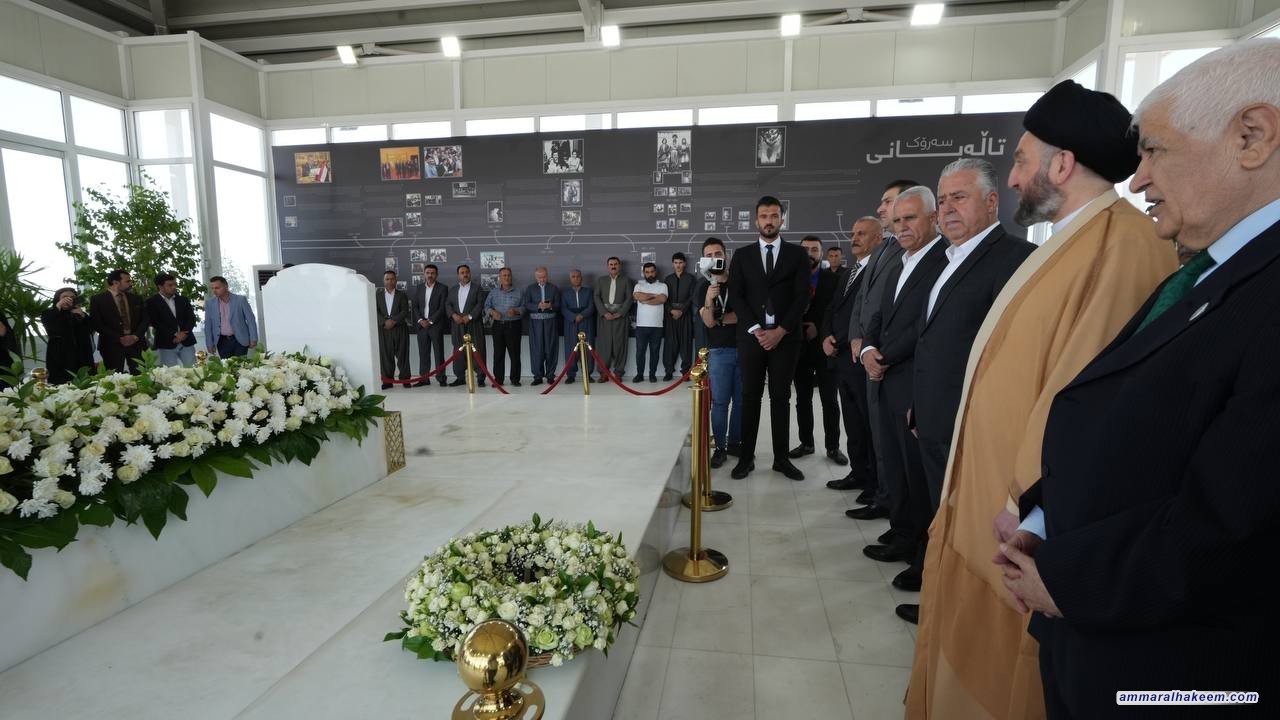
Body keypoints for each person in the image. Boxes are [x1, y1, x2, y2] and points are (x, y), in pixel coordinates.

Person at [998, 40, 1280, 718]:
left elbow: (1235, 521)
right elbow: (1135, 421)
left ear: (1253, 136)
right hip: (1106, 630)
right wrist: (1042, 515)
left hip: (1185, 674)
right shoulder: (1215, 269)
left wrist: (1065, 575)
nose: (1137, 178)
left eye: (1154, 150)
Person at [905, 79, 1179, 720]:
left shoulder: (1126, 248)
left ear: (1062, 164)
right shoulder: (1068, 239)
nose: (1015, 175)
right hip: (982, 518)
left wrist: (1029, 514)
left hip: (1013, 538)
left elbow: (1091, 408)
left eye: (1023, 160)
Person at [892, 160, 1035, 614]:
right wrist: (918, 403)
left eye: (960, 197)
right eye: (944, 198)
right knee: (943, 514)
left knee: (970, 524)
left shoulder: (1015, 260)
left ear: (992, 202)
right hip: (936, 419)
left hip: (973, 426)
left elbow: (1010, 357)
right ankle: (940, 596)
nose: (947, 209)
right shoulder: (949, 259)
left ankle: (957, 609)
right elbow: (934, 341)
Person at [858, 187, 948, 574]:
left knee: (917, 473)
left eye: (910, 218)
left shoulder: (944, 260)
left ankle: (924, 557)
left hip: (913, 381)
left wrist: (885, 355)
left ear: (933, 218)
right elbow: (879, 314)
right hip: (886, 377)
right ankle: (903, 532)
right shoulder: (899, 260)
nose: (903, 227)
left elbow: (924, 323)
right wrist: (867, 350)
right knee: (894, 464)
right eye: (897, 221)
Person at [847, 179, 919, 520]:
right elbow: (865, 303)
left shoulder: (916, 254)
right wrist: (859, 342)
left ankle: (895, 507)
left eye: (887, 201)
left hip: (893, 364)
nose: (881, 208)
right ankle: (886, 497)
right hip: (870, 355)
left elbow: (908, 315)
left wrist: (878, 351)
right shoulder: (888, 252)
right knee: (879, 436)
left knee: (894, 444)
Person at [726, 195, 810, 481]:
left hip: (786, 338)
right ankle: (746, 459)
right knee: (749, 397)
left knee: (781, 397)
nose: (769, 221)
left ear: (782, 219)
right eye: (764, 216)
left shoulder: (798, 255)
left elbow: (802, 297)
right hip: (751, 339)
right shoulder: (742, 255)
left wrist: (780, 331)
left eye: (774, 215)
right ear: (756, 220)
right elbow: (736, 296)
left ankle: (781, 459)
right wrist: (756, 330)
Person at [822, 218, 881, 492]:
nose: (854, 238)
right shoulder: (848, 273)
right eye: (853, 233)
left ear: (879, 238)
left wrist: (842, 339)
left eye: (862, 234)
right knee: (852, 422)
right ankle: (857, 473)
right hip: (841, 359)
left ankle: (873, 481)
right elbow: (833, 308)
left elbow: (869, 316)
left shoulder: (880, 270)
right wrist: (826, 336)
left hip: (860, 358)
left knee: (867, 423)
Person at [791, 235, 845, 465]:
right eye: (805, 249)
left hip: (825, 348)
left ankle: (833, 447)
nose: (809, 253)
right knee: (802, 399)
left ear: (821, 254)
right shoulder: (791, 279)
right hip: (798, 347)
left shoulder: (833, 280)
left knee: (829, 400)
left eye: (814, 250)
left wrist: (819, 330)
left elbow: (835, 312)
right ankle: (807, 443)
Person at [695, 238, 742, 468]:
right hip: (719, 351)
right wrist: (709, 299)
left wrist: (719, 317)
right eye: (710, 254)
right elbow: (708, 323)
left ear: (726, 255)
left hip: (745, 349)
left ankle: (735, 443)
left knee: (741, 402)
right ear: (705, 259)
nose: (715, 258)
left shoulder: (741, 281)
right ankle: (721, 447)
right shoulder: (702, 285)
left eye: (718, 253)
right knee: (721, 402)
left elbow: (745, 316)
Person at [91, 269, 149, 373]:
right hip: (111, 345)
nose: (131, 283)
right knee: (115, 379)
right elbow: (97, 323)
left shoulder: (136, 298)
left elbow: (145, 320)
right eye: (127, 281)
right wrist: (120, 338)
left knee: (141, 375)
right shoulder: (97, 300)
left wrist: (135, 337)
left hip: (136, 344)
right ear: (115, 282)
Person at [41, 288, 95, 383]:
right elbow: (51, 326)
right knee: (61, 382)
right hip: (60, 355)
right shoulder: (49, 313)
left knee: (85, 382)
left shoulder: (79, 313)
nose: (68, 299)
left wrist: (82, 315)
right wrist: (58, 306)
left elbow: (91, 329)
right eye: (65, 297)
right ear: (58, 299)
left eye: (72, 297)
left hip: (82, 355)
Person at [592, 257, 633, 381]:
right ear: (607, 266)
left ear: (619, 266)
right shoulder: (601, 280)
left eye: (615, 264)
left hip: (620, 318)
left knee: (620, 345)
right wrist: (604, 312)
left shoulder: (626, 281)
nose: (613, 266)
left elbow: (629, 298)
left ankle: (618, 373)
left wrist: (620, 313)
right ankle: (603, 373)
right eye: (611, 264)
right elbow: (596, 296)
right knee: (604, 345)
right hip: (604, 318)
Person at [145, 272, 197, 367]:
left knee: (193, 370)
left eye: (175, 284)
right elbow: (156, 323)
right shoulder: (151, 302)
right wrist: (175, 334)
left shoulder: (183, 300)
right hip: (166, 343)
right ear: (160, 287)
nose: (174, 287)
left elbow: (191, 319)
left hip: (186, 341)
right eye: (170, 285)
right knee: (170, 373)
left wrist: (184, 333)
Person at [447, 264, 486, 387]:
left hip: (473, 324)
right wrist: (454, 315)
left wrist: (469, 317)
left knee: (478, 350)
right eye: (462, 272)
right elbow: (447, 305)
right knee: (458, 350)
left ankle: (480, 377)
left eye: (467, 272)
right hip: (457, 324)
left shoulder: (477, 288)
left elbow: (480, 305)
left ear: (470, 273)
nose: (465, 274)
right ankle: (460, 377)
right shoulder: (453, 289)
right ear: (458, 275)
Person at [484, 267, 524, 386]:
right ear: (500, 278)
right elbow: (486, 307)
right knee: (498, 354)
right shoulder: (493, 292)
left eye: (508, 275)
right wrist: (492, 312)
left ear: (511, 277)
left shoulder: (519, 291)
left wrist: (516, 311)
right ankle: (498, 380)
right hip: (498, 326)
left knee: (515, 354)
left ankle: (515, 379)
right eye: (504, 275)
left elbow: (525, 307)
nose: (506, 277)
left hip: (514, 326)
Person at [410, 264, 449, 387]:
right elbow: (415, 306)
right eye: (428, 273)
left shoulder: (442, 288)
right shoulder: (419, 287)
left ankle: (441, 378)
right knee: (423, 353)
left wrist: (430, 320)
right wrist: (421, 320)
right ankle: (424, 379)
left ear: (436, 275)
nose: (430, 275)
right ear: (424, 274)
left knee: (439, 353)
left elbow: (442, 308)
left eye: (432, 273)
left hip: (435, 325)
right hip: (421, 326)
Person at [203, 276, 257, 360]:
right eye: (212, 288)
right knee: (226, 368)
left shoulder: (240, 300)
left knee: (240, 366)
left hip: (239, 339)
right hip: (222, 341)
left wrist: (253, 338)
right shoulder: (210, 303)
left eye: (217, 288)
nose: (214, 291)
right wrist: (209, 344)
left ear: (226, 286)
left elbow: (251, 320)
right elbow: (208, 325)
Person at [522, 267, 560, 386]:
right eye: (540, 277)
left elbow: (559, 305)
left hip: (550, 322)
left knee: (551, 349)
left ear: (547, 276)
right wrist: (537, 306)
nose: (542, 279)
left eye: (544, 277)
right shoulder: (530, 288)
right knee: (536, 349)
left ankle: (550, 376)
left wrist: (550, 306)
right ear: (536, 277)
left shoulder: (553, 288)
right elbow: (526, 304)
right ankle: (537, 376)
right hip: (535, 323)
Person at [631, 263, 668, 383]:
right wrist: (653, 296)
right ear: (644, 273)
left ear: (655, 272)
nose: (650, 274)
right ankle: (639, 374)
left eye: (652, 271)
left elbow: (662, 299)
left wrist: (645, 300)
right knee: (640, 352)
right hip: (641, 325)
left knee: (655, 352)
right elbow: (637, 296)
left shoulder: (663, 286)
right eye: (647, 272)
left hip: (657, 325)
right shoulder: (638, 286)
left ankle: (652, 374)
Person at [661, 252, 695, 381]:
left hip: (685, 315)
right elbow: (665, 298)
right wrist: (671, 311)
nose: (678, 265)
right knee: (670, 343)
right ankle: (668, 371)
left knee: (685, 344)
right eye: (676, 263)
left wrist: (682, 311)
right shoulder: (668, 279)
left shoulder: (690, 278)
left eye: (680, 263)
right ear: (672, 264)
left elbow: (692, 297)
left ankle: (685, 372)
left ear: (684, 264)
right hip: (670, 315)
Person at [376, 270, 412, 389]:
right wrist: (384, 322)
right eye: (387, 279)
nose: (390, 281)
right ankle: (387, 381)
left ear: (396, 281)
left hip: (400, 329)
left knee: (403, 356)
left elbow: (404, 311)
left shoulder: (402, 295)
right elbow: (375, 311)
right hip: (384, 329)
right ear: (384, 281)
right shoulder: (378, 295)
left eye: (392, 279)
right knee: (385, 356)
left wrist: (394, 321)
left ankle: (405, 380)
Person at [560, 269, 595, 384]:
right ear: (570, 279)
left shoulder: (589, 291)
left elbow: (591, 306)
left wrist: (582, 315)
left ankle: (588, 374)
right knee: (570, 348)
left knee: (587, 348)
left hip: (586, 321)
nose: (576, 278)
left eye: (578, 276)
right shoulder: (565, 292)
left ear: (581, 278)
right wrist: (573, 317)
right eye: (573, 276)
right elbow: (563, 308)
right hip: (570, 322)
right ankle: (571, 375)